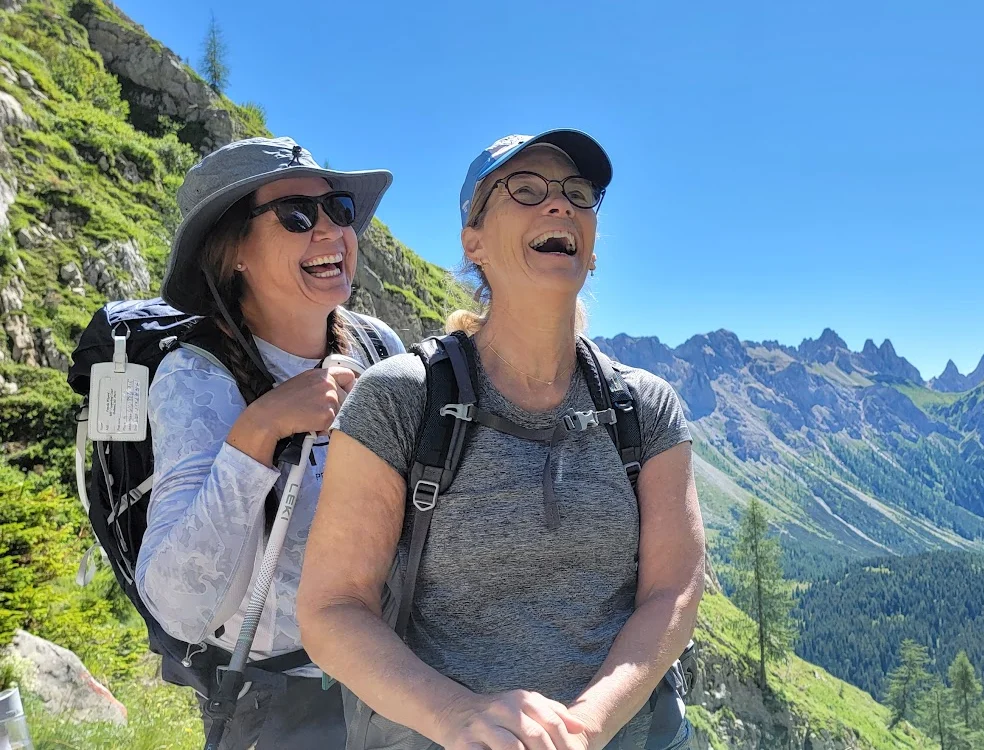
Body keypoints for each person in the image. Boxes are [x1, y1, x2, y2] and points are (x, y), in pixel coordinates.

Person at [298, 130, 705, 750]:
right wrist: (458, 715)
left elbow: (672, 591)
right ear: (474, 242)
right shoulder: (402, 398)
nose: (560, 205)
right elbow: (332, 608)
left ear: (591, 251)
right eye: (527, 190)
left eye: (578, 194)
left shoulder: (643, 408)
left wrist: (588, 725)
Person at [139, 136, 405, 748]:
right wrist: (259, 430)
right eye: (294, 216)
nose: (329, 231)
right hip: (285, 699)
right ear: (234, 252)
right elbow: (181, 604)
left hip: (394, 669)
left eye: (338, 209)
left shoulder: (377, 347)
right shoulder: (197, 377)